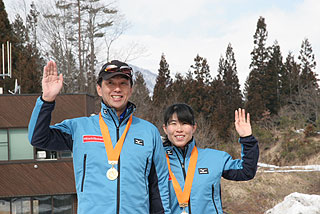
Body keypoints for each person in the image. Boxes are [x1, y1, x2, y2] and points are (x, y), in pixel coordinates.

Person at [28, 60, 171, 214]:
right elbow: (38, 138)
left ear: (130, 90)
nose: (117, 88)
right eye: (110, 83)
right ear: (99, 89)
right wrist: (47, 99)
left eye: (123, 83)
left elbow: (159, 186)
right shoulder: (79, 128)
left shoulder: (148, 132)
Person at [162, 103, 259, 214]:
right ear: (165, 128)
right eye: (173, 124)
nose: (179, 129)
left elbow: (246, 171)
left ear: (194, 127)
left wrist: (247, 138)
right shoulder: (156, 160)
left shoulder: (214, 158)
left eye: (184, 123)